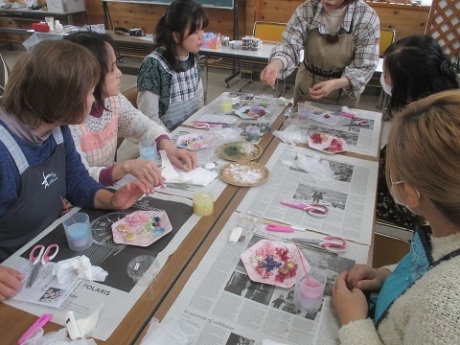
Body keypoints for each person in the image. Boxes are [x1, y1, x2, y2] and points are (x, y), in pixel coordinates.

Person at [0, 40, 154, 301]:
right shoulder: (5, 153)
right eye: (89, 92)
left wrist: (110, 199)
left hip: (47, 251)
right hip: (14, 273)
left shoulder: (56, 129)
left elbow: (76, 181)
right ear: (61, 99)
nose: (93, 98)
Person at [332, 90, 460, 344]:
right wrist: (389, 278)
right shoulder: (446, 233)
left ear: (411, 194)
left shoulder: (445, 312)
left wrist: (354, 322)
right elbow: (425, 273)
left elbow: (435, 300)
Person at [64, 31, 197, 187]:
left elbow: (144, 126)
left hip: (107, 185)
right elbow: (79, 176)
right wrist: (124, 167)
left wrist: (169, 147)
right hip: (83, 195)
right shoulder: (69, 121)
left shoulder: (112, 100)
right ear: (89, 75)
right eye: (112, 68)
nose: (119, 73)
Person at [377, 34, 459, 229]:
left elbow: (406, 190)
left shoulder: (425, 124)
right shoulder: (441, 101)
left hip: (415, 210)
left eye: (387, 74)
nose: (384, 78)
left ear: (406, 84)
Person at [260, 0, 379, 106]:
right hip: (306, 88)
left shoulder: (366, 17)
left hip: (342, 93)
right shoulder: (307, 9)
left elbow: (365, 67)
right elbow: (290, 45)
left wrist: (337, 83)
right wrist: (276, 63)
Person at [137, 0, 208, 131]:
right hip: (165, 142)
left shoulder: (193, 58)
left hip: (190, 137)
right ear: (176, 36)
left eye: (203, 29)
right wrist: (172, 142)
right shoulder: (153, 66)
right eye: (196, 31)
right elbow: (149, 119)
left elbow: (199, 102)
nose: (202, 36)